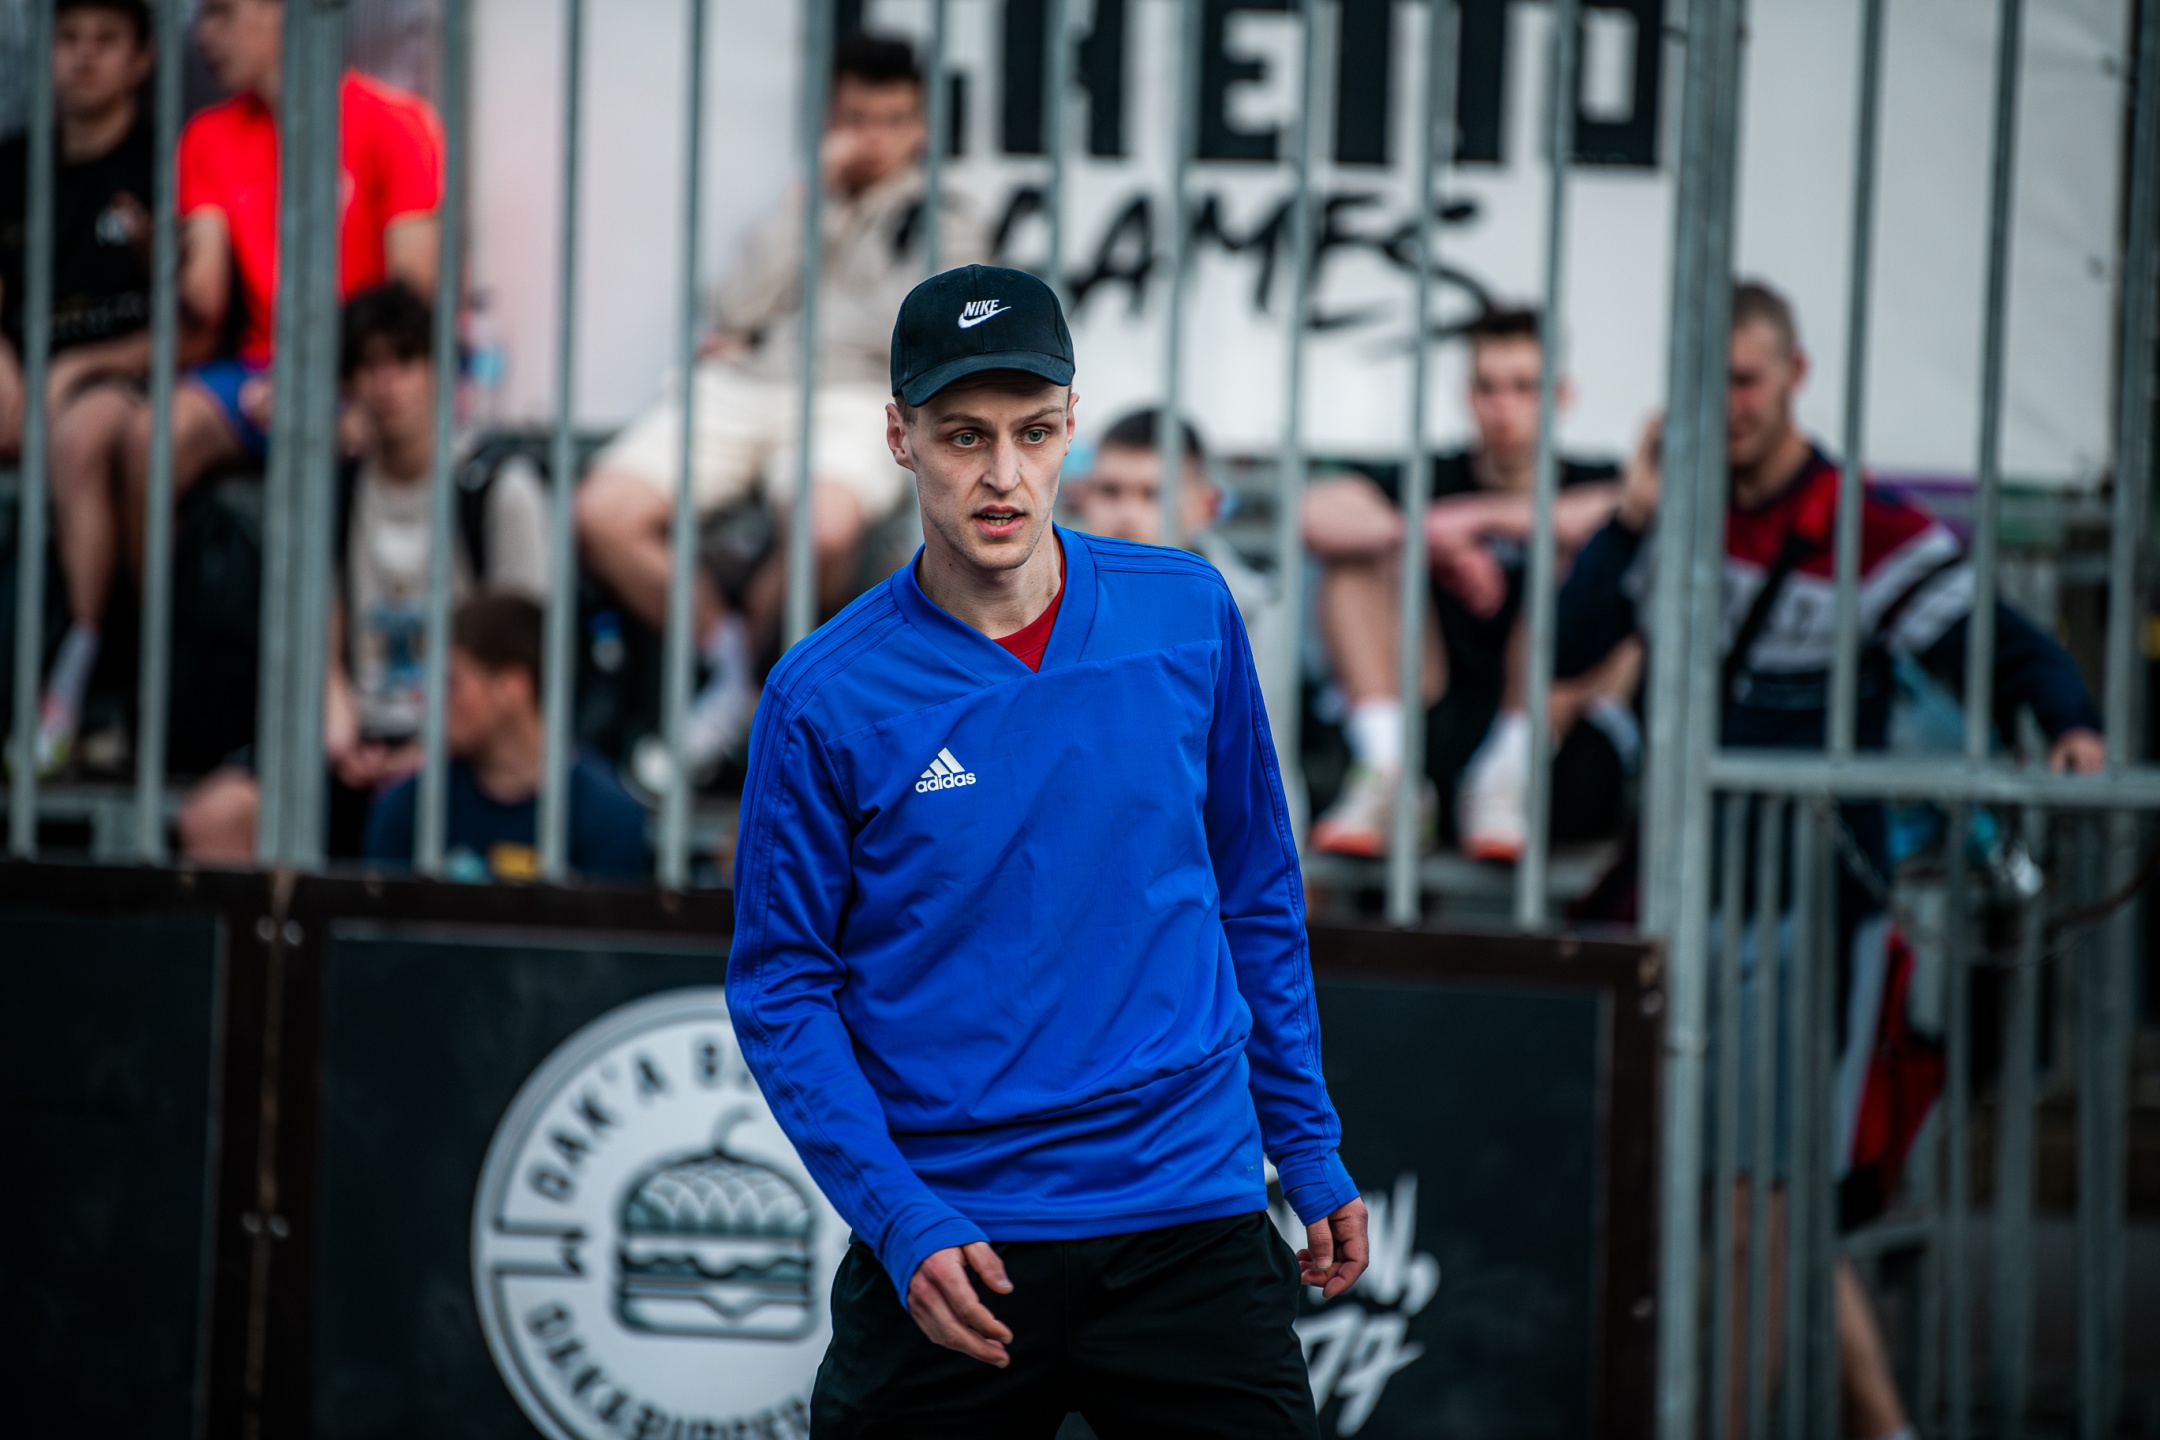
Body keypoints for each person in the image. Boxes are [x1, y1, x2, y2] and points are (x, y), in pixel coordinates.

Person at [727, 265, 1367, 1435]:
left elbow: (1257, 897)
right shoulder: (822, 696)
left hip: (1189, 1218)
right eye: (963, 436)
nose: (1003, 474)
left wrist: (1307, 1142)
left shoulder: (1189, 615)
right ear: (900, 438)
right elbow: (780, 987)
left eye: (1031, 432)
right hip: (955, 1249)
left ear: (1072, 423)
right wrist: (898, 1215)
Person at [1555, 279, 2106, 1440]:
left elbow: (2001, 645)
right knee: (1697, 1193)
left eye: (1745, 379)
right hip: (1675, 903)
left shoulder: (1869, 527)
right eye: (1706, 381)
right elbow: (1570, 642)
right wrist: (1634, 513)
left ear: (1797, 376)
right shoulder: (1677, 512)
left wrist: (2071, 725)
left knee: (1760, 1203)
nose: (1727, 404)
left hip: (1811, 913)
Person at [574, 31, 990, 782]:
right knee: (602, 513)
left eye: (893, 120)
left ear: (922, 126)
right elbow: (734, 304)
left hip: (853, 394)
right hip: (745, 388)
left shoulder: (947, 213)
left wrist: (776, 331)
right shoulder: (803, 201)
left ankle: (743, 698)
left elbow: (914, 328)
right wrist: (813, 204)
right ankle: (733, 669)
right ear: (830, 118)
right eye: (857, 118)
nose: (874, 137)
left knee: (823, 531)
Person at [51, 0, 444, 774]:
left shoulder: (395, 123)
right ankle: (166, 667)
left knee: (342, 441)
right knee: (149, 438)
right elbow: (203, 305)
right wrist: (161, 264)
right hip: (257, 371)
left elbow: (416, 296)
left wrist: (327, 382)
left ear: (283, 15)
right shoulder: (207, 137)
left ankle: (326, 694)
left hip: (362, 370)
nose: (204, 35)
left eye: (224, 14)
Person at [176, 285, 549, 863]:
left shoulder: (497, 488)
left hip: (469, 743)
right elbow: (319, 644)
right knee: (213, 821)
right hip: (358, 737)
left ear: (441, 374)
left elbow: (524, 655)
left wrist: (433, 745)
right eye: (369, 365)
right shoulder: (336, 490)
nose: (386, 383)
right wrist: (338, 728)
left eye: (405, 361)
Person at [1302, 306, 1641, 861]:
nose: (1503, 407)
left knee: (1598, 557)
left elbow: (1633, 511)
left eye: (1524, 388)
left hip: (1554, 745)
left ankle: (1508, 774)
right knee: (1355, 562)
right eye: (1487, 388)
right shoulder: (1433, 476)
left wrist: (1480, 519)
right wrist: (1423, 536)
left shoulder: (1594, 478)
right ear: (1467, 395)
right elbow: (1313, 513)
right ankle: (1387, 778)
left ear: (1561, 395)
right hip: (1429, 723)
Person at [0, 0, 155, 771]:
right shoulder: (13, 166)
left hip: (127, 379)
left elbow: (193, 326)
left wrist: (83, 368)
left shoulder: (163, 164)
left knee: (78, 439)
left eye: (105, 40)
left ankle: (76, 669)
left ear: (143, 61)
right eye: (68, 39)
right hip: (23, 380)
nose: (84, 56)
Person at [362, 592, 649, 882]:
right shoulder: (407, 808)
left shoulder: (608, 816)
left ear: (513, 687)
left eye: (450, 682)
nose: (425, 698)